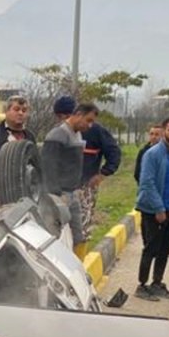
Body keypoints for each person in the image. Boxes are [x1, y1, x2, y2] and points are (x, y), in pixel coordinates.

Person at [134, 117, 169, 301]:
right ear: (164, 131)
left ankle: (157, 283)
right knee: (151, 248)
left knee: (165, 248)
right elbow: (147, 183)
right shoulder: (153, 154)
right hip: (155, 211)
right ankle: (142, 285)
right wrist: (159, 208)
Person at [41, 99, 98, 254]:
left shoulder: (77, 134)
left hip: (73, 193)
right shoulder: (58, 135)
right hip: (60, 196)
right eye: (88, 120)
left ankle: (79, 266)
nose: (90, 125)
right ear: (78, 114)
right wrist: (56, 196)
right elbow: (48, 168)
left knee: (78, 236)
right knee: (59, 239)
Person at [78, 118, 122, 237]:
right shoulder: (59, 132)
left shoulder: (94, 130)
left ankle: (81, 248)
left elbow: (114, 153)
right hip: (62, 188)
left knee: (82, 227)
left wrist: (103, 173)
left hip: (85, 187)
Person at [0, 95, 35, 170]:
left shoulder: (30, 137)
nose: (20, 113)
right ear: (6, 111)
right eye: (16, 109)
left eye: (24, 110)